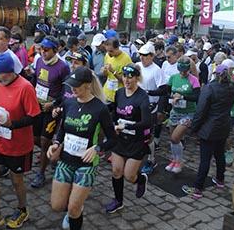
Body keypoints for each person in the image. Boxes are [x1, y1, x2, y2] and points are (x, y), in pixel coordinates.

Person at [0, 53, 41, 230]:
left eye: (0, 74)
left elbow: (35, 117)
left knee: (16, 180)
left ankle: (22, 210)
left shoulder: (25, 87)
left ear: (11, 72)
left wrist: (13, 124)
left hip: (18, 145)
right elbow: (0, 105)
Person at [47, 67, 117, 230]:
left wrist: (97, 148)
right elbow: (63, 128)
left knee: (73, 209)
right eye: (71, 85)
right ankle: (75, 206)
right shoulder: (69, 102)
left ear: (87, 85)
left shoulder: (100, 108)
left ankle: (76, 209)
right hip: (65, 160)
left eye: (76, 85)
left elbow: (113, 139)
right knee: (57, 205)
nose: (73, 88)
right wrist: (56, 144)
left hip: (86, 165)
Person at [182, 65, 234, 199]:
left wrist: (194, 128)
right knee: (220, 154)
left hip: (209, 127)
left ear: (215, 74)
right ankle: (220, 179)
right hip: (224, 125)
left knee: (205, 159)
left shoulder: (209, 88)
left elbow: (201, 111)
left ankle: (197, 188)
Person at [106, 64, 151, 213]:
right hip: (120, 139)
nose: (127, 80)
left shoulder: (142, 96)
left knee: (129, 176)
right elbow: (115, 114)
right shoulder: (119, 93)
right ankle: (118, 201)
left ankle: (141, 179)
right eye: (125, 76)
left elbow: (146, 122)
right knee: (116, 171)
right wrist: (113, 125)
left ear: (137, 78)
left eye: (131, 77)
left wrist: (127, 127)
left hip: (136, 141)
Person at [31, 36, 70, 189]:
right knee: (34, 138)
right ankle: (55, 155)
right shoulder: (39, 60)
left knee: (44, 140)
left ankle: (41, 173)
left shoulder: (63, 67)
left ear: (56, 50)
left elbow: (66, 91)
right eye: (41, 49)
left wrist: (54, 104)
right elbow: (35, 79)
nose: (43, 53)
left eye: (46, 50)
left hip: (52, 109)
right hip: (37, 105)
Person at [164, 56, 201, 173]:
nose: (183, 73)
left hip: (188, 113)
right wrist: (172, 97)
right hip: (175, 112)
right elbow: (167, 91)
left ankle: (179, 161)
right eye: (181, 71)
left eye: (185, 71)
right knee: (173, 139)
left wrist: (182, 96)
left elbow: (196, 97)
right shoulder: (173, 78)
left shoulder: (194, 80)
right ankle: (174, 159)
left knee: (176, 137)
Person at [135, 44, 163, 175]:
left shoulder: (157, 70)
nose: (142, 57)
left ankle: (151, 160)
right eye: (141, 54)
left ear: (152, 56)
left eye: (145, 55)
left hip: (150, 107)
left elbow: (162, 89)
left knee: (148, 135)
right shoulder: (137, 66)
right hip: (135, 105)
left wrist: (149, 93)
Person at [102, 38, 132, 103]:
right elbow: (106, 75)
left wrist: (113, 71)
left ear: (117, 48)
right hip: (107, 93)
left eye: (111, 51)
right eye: (107, 51)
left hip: (119, 95)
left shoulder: (126, 59)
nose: (109, 54)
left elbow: (126, 80)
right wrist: (104, 71)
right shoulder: (107, 56)